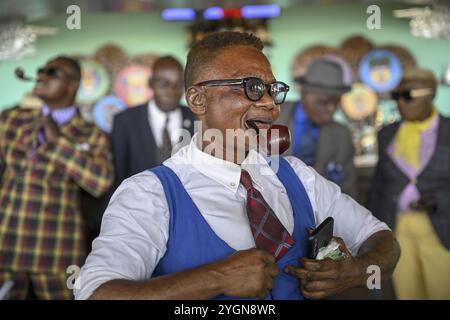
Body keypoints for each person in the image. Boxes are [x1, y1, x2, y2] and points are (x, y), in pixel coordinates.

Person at [75, 32, 399, 300]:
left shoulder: (296, 175)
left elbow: (380, 238)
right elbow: (95, 293)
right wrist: (215, 278)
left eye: (272, 90)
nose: (270, 103)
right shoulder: (149, 194)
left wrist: (355, 270)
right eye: (252, 87)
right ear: (198, 100)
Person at [0, 56, 114, 299]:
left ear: (72, 85)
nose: (41, 76)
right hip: (6, 243)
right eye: (41, 69)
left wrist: (59, 143)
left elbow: (100, 182)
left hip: (54, 248)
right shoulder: (11, 120)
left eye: (51, 72)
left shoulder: (91, 134)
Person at [368, 68, 450, 299]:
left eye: (408, 96)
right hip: (397, 228)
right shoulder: (387, 134)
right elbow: (378, 184)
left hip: (441, 229)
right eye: (396, 97)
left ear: (430, 95)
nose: (400, 103)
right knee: (407, 292)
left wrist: (441, 199)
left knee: (441, 290)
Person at [277, 57, 357, 198]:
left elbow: (348, 191)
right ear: (303, 93)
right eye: (323, 102)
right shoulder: (272, 117)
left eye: (336, 102)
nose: (331, 109)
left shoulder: (341, 135)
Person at [111, 56, 195, 186]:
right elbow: (118, 175)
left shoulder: (196, 117)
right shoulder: (125, 121)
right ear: (151, 84)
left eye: (178, 84)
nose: (171, 91)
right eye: (164, 84)